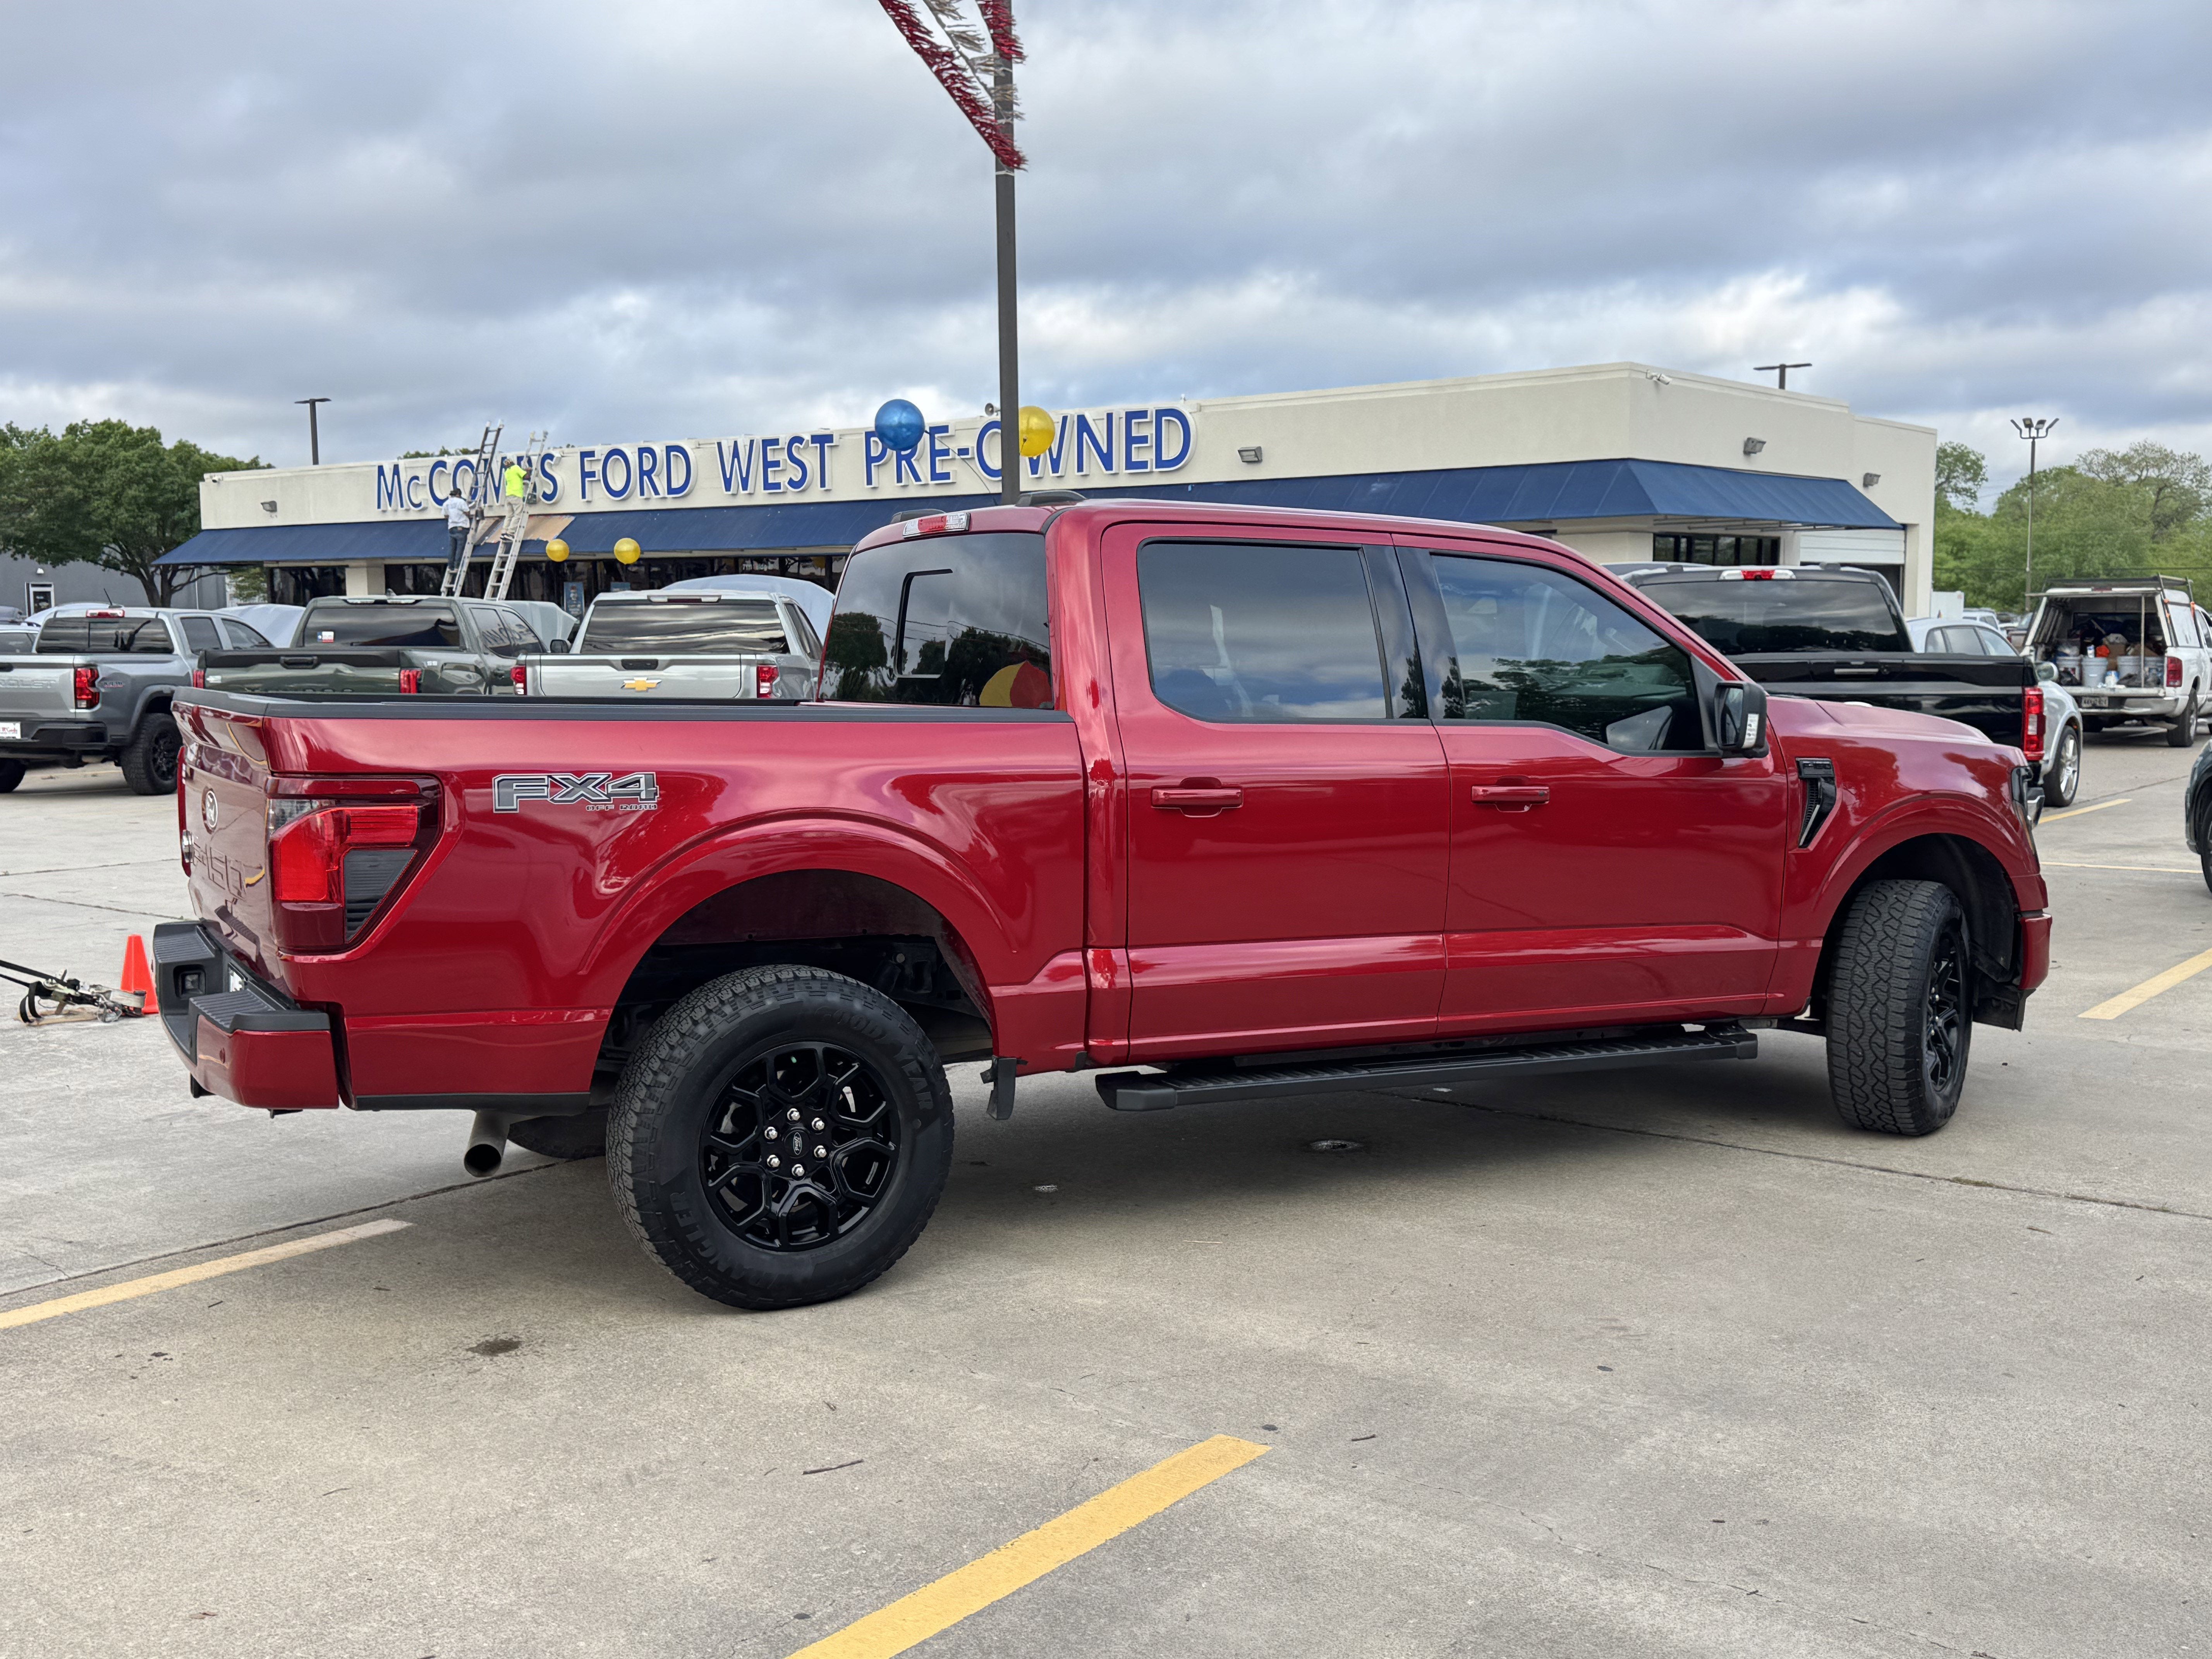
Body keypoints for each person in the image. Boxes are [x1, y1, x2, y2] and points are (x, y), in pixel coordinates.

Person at [444, 488, 473, 575]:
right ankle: (457, 567)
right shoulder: (461, 502)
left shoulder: (446, 503)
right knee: (460, 549)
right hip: (461, 527)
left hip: (452, 527)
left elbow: (446, 516)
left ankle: (450, 567)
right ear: (459, 495)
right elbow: (468, 513)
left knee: (452, 548)